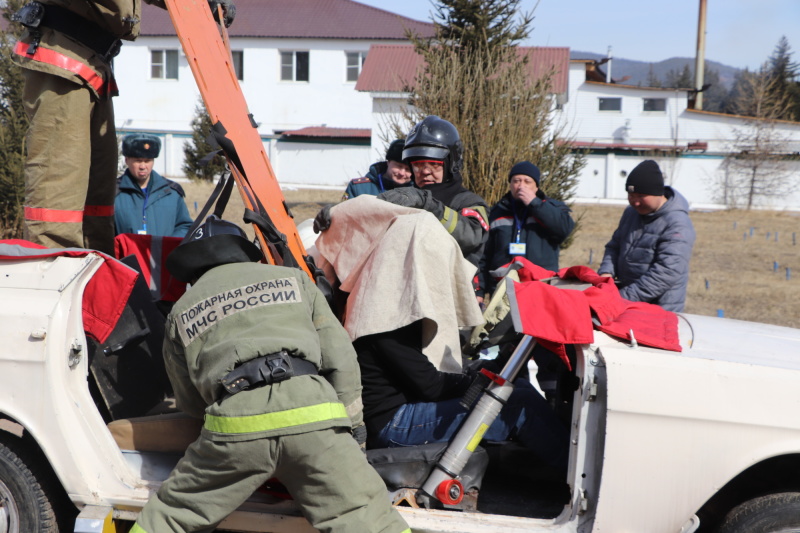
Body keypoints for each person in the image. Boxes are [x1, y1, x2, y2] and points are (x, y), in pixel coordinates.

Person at [131, 215, 409, 533]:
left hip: (236, 425)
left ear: (191, 268)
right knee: (369, 519)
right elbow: (342, 360)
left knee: (171, 514)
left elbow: (191, 402)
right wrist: (354, 434)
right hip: (312, 415)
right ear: (243, 251)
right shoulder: (295, 280)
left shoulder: (181, 311)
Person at [12, 0, 234, 255]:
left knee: (98, 194)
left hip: (91, 61)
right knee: (59, 184)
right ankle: (53, 271)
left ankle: (96, 274)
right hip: (63, 52)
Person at [376, 116, 489, 267]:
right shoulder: (407, 198)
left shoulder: (470, 202)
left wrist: (430, 205)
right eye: (418, 165)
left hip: (452, 287)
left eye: (434, 164)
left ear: (452, 164)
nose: (425, 172)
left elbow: (470, 236)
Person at [598, 159, 696, 312]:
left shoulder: (677, 224)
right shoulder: (631, 213)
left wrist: (621, 298)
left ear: (658, 193)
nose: (635, 202)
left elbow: (665, 272)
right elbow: (614, 246)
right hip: (627, 301)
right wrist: (606, 275)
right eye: (631, 195)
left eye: (641, 196)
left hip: (659, 308)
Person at [477, 161, 575, 303]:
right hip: (503, 289)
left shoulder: (552, 208)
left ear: (536, 186)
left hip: (540, 287)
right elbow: (484, 255)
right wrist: (479, 290)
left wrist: (534, 204)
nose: (521, 185)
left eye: (527, 181)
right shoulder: (496, 212)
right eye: (516, 181)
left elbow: (564, 229)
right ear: (510, 184)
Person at [115, 134, 193, 237]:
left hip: (165, 253)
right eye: (138, 161)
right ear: (127, 160)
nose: (143, 166)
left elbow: (185, 226)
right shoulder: (113, 194)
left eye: (147, 161)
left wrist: (168, 247)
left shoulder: (171, 193)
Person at [342, 139, 412, 200]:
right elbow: (342, 213)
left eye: (408, 169)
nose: (402, 173)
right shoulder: (358, 188)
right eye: (398, 166)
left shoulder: (418, 192)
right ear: (388, 162)